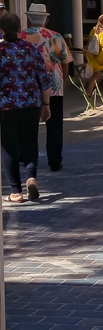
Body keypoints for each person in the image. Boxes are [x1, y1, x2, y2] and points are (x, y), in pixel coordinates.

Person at [0, 13, 52, 203]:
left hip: (6, 106)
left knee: (8, 146)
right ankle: (31, 178)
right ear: (20, 29)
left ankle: (16, 191)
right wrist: (46, 105)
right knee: (30, 142)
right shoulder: (31, 48)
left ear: (1, 30)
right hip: (31, 104)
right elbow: (44, 80)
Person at [20, 2, 73, 172]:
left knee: (29, 125)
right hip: (54, 86)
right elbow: (66, 62)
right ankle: (54, 160)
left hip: (28, 87)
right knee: (54, 125)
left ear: (28, 20)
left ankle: (28, 159)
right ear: (46, 20)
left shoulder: (20, 36)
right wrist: (62, 79)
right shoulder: (56, 37)